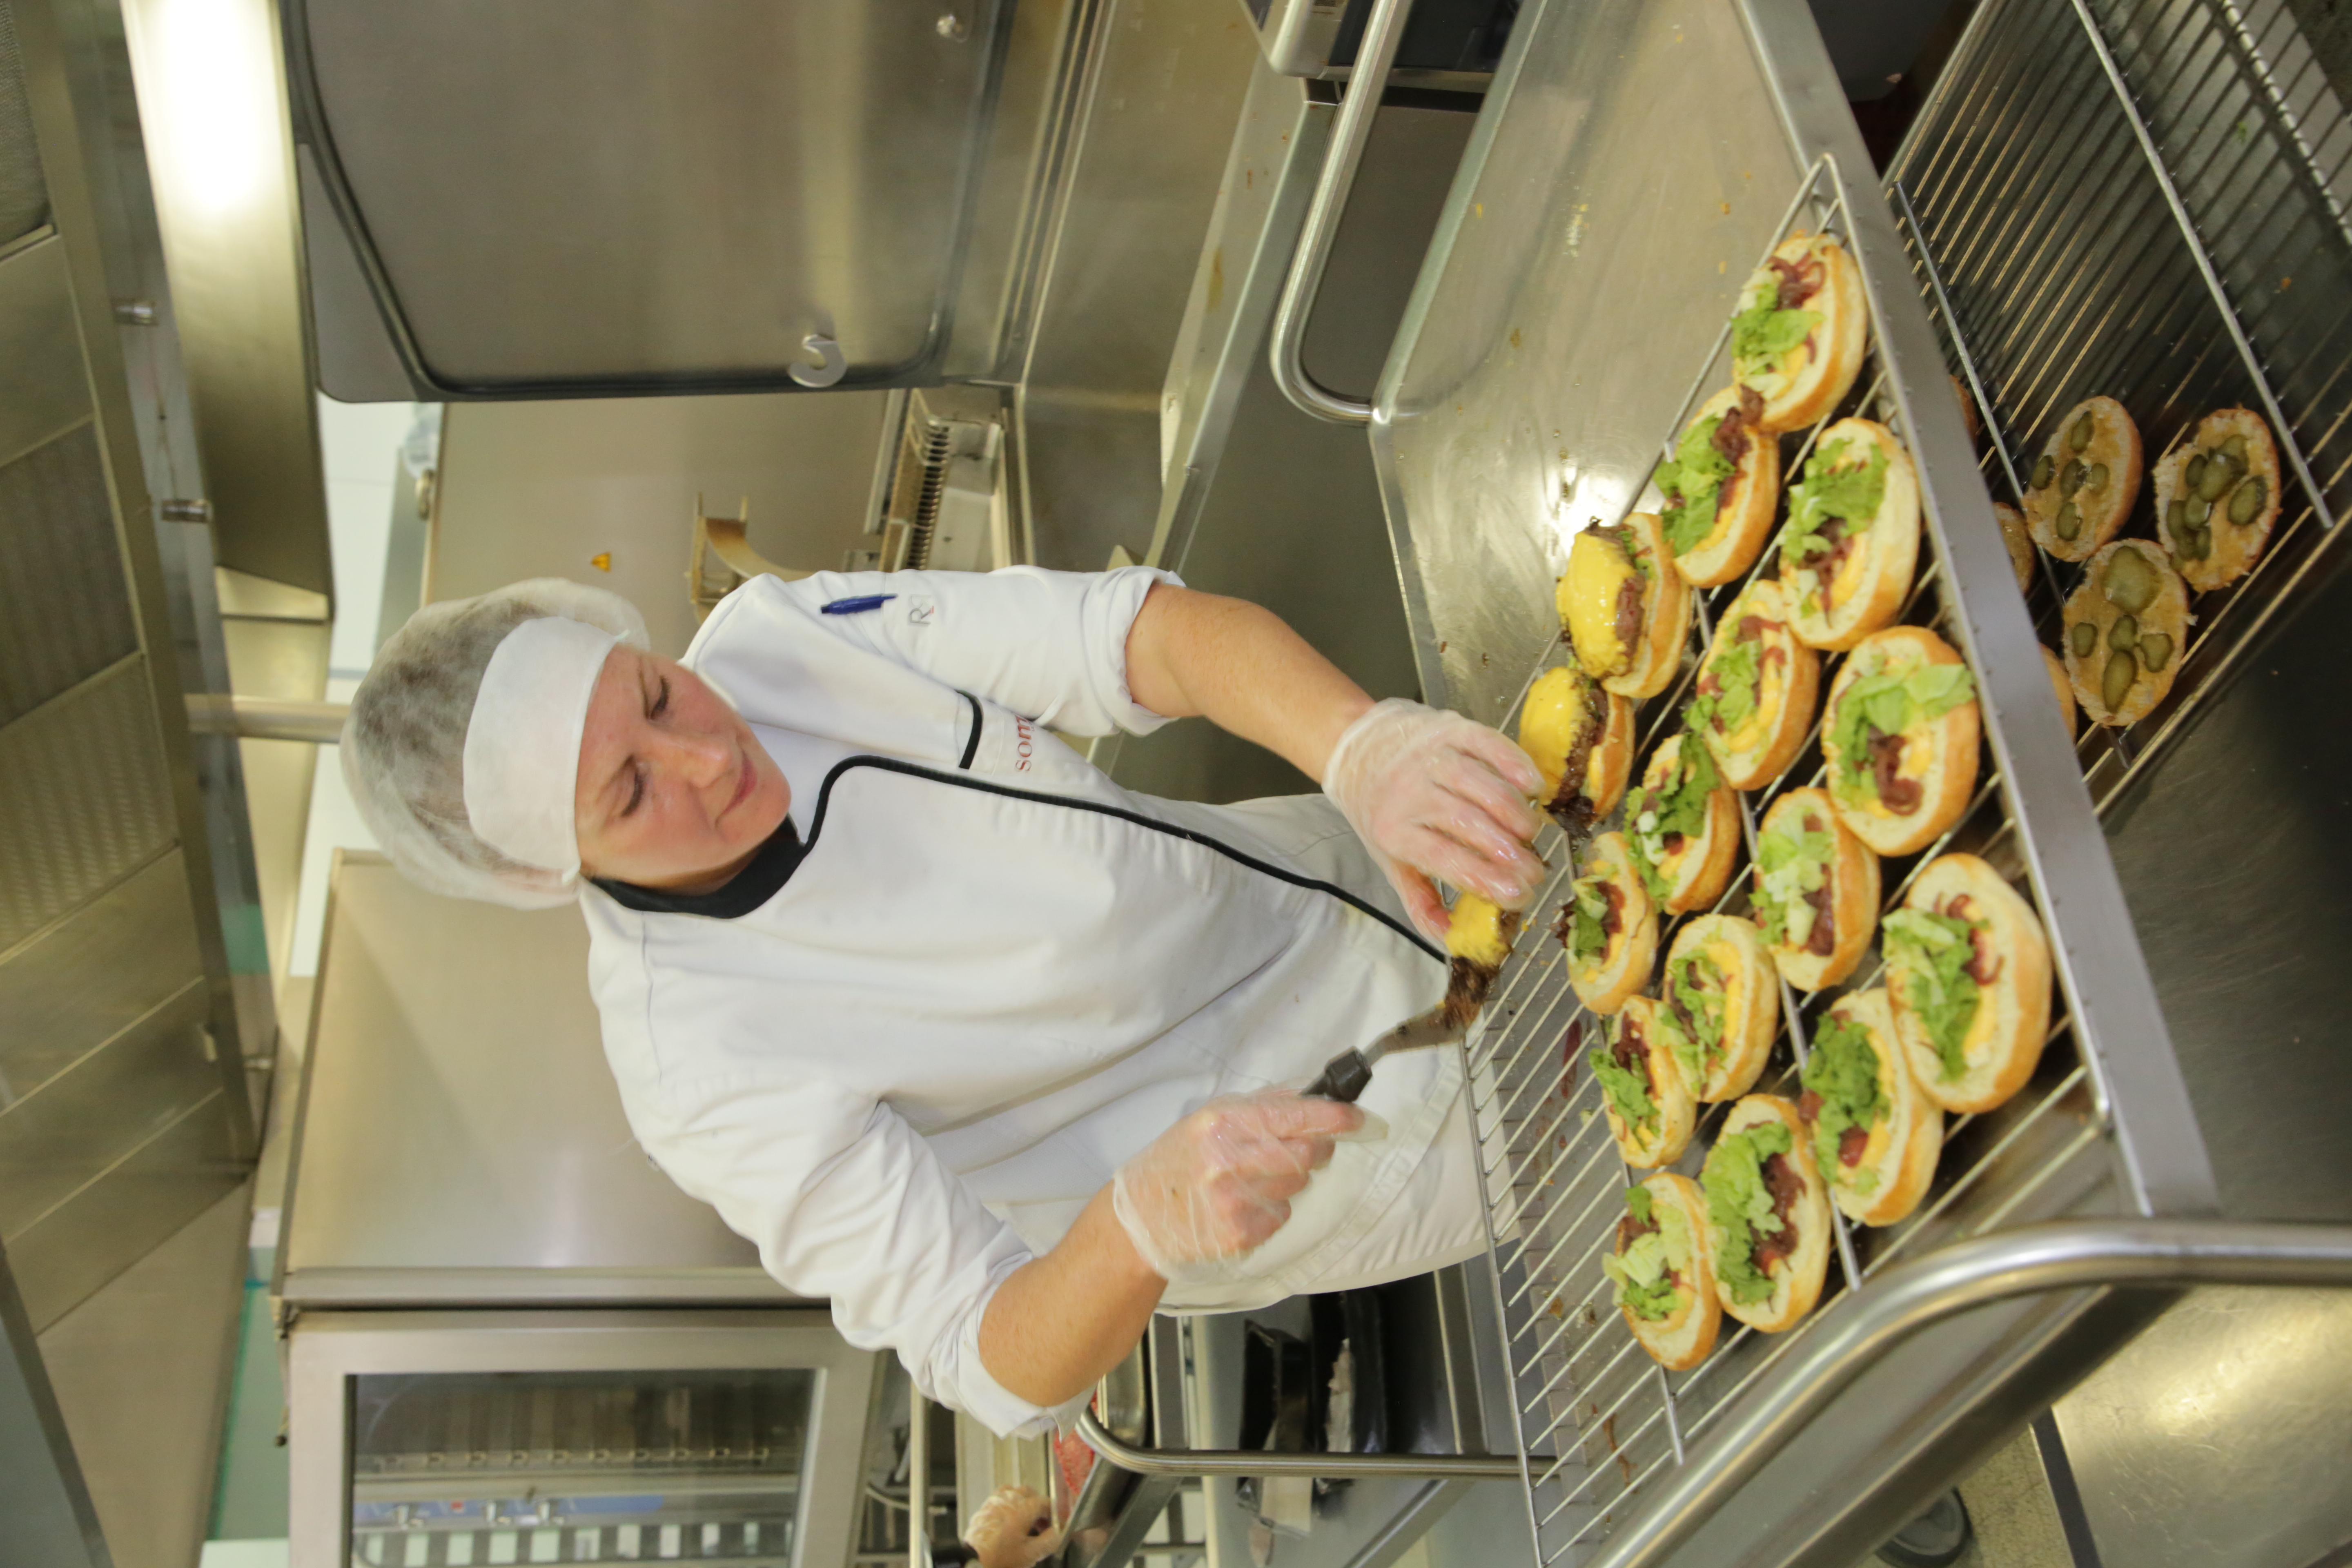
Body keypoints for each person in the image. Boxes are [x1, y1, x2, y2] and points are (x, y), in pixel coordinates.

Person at [342, 565, 1544, 1437]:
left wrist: (1361, 750)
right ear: (555, 870)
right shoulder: (701, 1071)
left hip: (1360, 861)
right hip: (1349, 1150)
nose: (708, 758)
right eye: (628, 789)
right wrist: (1140, 1225)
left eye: (657, 696)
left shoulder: (784, 639)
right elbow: (990, 1360)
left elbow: (1148, 638)